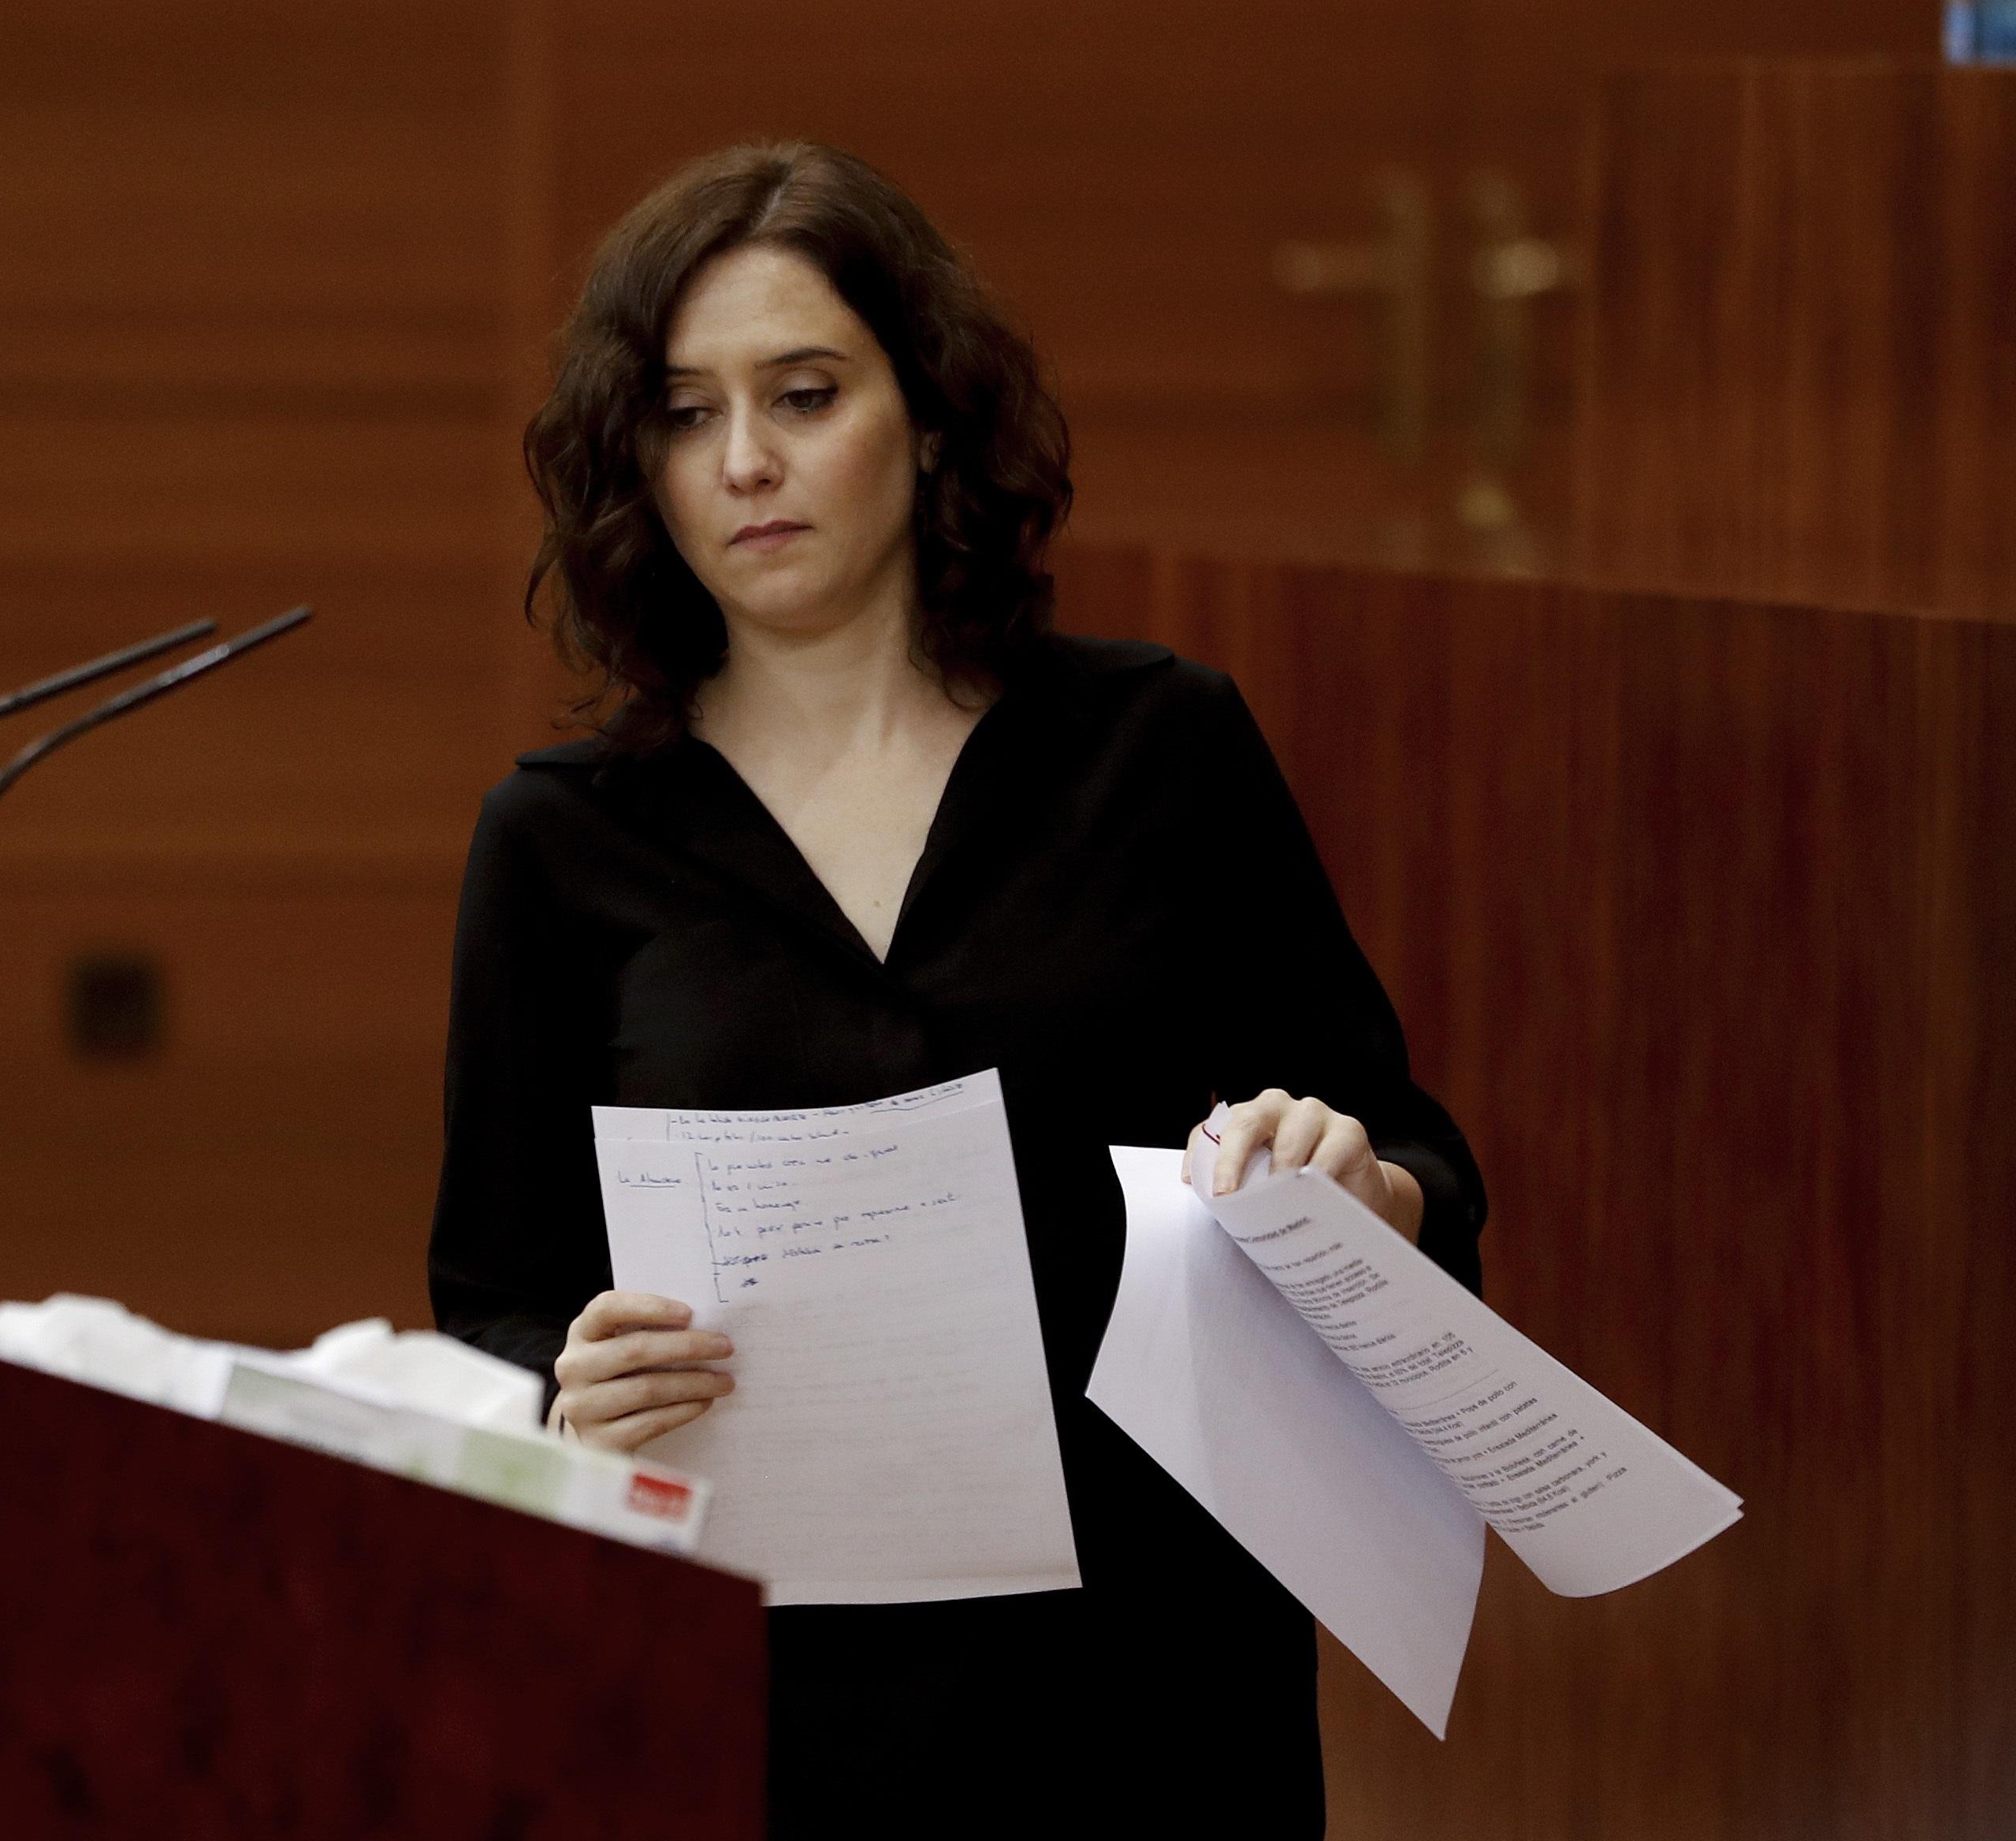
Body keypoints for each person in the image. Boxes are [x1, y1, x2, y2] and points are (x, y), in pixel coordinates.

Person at [429, 139, 1486, 1835]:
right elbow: (492, 1297)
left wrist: (1362, 1186)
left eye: (803, 392)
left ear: (925, 420)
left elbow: (1425, 1163)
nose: (747, 461)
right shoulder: (561, 847)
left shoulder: (1159, 749)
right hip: (760, 1694)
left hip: (1151, 1679)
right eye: (685, 414)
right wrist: (566, 1378)